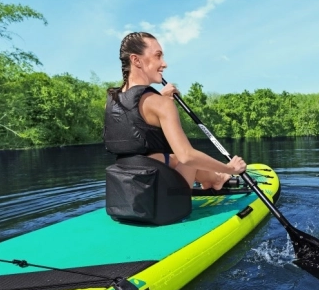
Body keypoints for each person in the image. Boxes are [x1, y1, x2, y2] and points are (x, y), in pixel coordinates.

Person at [105, 31, 246, 190]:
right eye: (158, 56)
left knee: (171, 158)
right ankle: (219, 177)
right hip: (162, 200)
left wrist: (159, 96)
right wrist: (230, 168)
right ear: (136, 60)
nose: (164, 64)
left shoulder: (111, 102)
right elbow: (187, 156)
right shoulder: (161, 104)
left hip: (126, 191)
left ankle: (215, 179)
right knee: (189, 158)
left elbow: (136, 117)